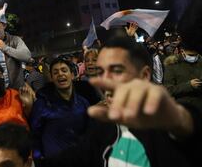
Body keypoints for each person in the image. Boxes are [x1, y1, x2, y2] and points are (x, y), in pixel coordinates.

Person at [43, 36, 202, 167]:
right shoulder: (103, 127)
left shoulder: (164, 122)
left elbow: (187, 126)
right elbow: (74, 157)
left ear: (144, 76)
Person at [30, 57, 90, 164]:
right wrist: (39, 159)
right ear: (52, 78)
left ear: (72, 75)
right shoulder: (42, 104)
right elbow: (34, 135)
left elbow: (89, 133)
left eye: (64, 70)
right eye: (56, 72)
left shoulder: (83, 103)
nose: (60, 74)